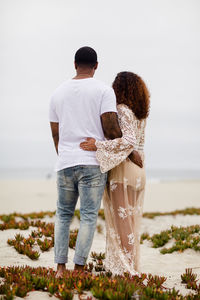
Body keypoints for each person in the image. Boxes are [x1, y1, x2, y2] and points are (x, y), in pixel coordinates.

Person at [49, 47, 141, 278]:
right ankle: (79, 269)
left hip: (65, 162)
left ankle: (60, 268)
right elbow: (111, 129)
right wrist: (129, 152)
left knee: (62, 215)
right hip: (91, 163)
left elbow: (55, 134)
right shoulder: (103, 91)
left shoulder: (57, 93)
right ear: (96, 66)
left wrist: (65, 155)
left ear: (74, 64)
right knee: (88, 216)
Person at [80, 71, 150, 275]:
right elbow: (137, 144)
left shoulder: (122, 109)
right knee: (131, 221)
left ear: (118, 89)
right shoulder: (140, 115)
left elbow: (127, 142)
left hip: (123, 171)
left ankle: (129, 271)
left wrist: (98, 145)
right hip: (139, 171)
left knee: (123, 223)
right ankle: (130, 267)